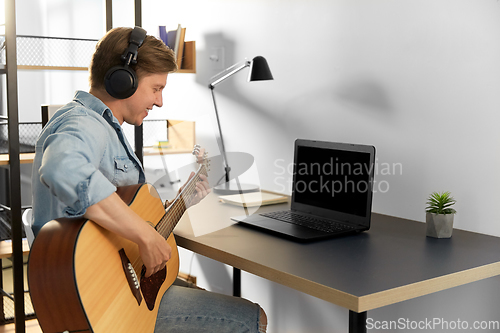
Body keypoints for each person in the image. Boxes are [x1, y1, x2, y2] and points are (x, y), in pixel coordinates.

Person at [31, 26, 267, 333]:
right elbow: (62, 168)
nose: (159, 102)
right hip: (103, 300)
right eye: (156, 88)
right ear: (122, 81)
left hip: (111, 290)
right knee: (254, 317)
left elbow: (115, 214)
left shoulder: (106, 126)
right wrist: (145, 236)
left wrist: (180, 203)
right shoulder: (83, 123)